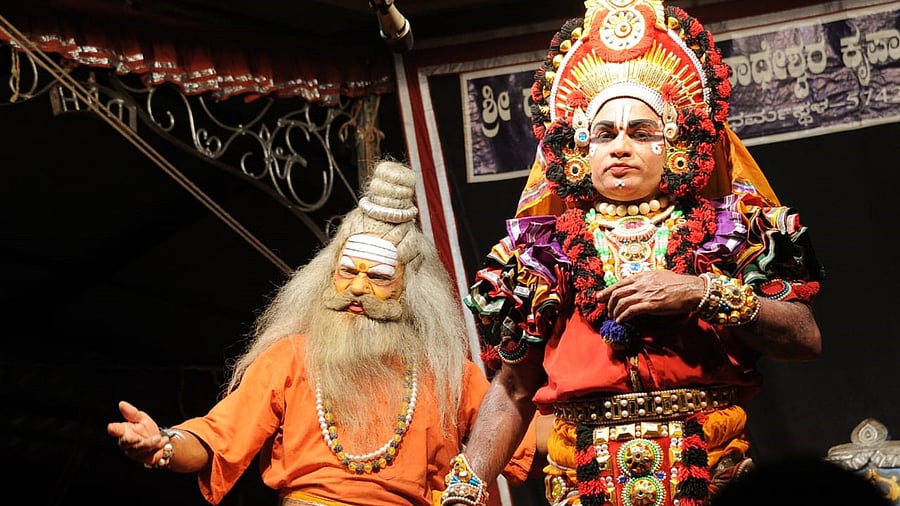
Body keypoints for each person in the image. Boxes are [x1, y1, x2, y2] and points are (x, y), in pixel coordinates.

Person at [439, 1, 825, 506]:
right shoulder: (540, 252)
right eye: (605, 133)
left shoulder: (727, 233)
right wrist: (465, 488)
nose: (620, 146)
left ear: (676, 146)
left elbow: (805, 339)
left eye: (642, 132)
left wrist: (703, 292)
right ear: (581, 149)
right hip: (583, 482)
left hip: (708, 473)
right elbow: (513, 388)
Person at [107, 159, 536, 506]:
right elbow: (217, 438)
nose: (357, 288)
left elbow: (523, 438)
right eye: (347, 272)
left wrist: (590, 413)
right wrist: (162, 444)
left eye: (379, 277)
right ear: (326, 276)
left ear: (410, 291)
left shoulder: (446, 374)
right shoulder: (291, 358)